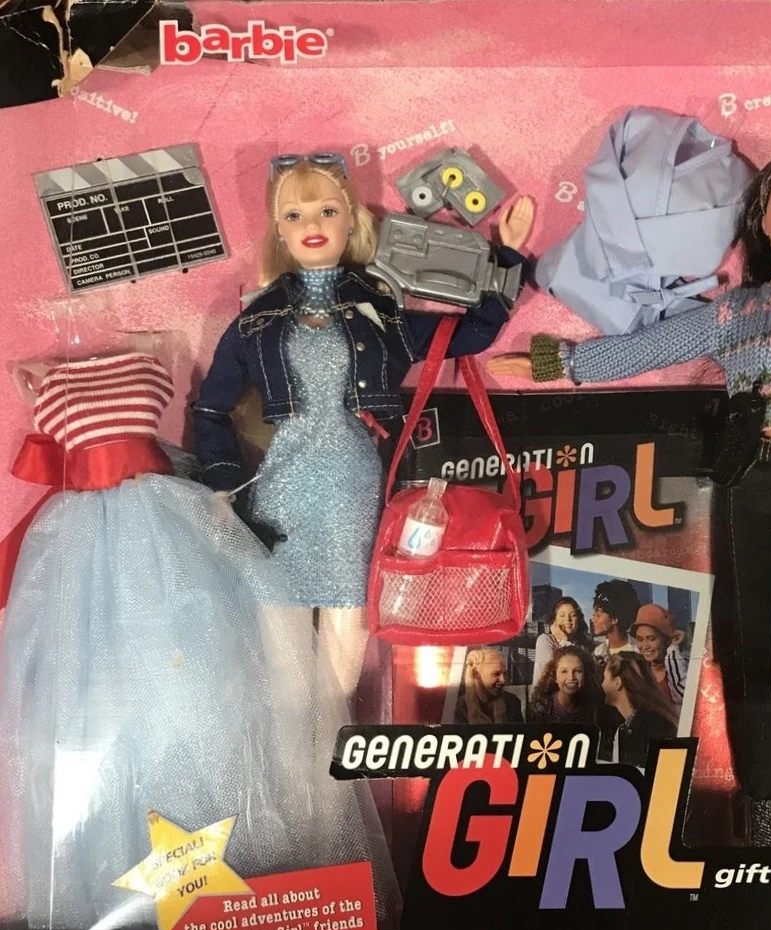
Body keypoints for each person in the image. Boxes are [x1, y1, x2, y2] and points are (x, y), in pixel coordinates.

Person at [489, 143, 771, 849]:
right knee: (754, 650)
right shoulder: (739, 311)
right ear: (761, 222)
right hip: (755, 479)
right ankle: (767, 806)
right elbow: (653, 346)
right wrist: (559, 363)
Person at [0, 347, 400, 930]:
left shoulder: (150, 356)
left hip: (166, 515)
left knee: (207, 691)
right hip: (85, 543)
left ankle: (242, 882)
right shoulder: (42, 386)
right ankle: (123, 893)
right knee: (94, 705)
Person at [193, 152, 534, 694]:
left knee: (343, 647)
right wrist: (221, 485)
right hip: (280, 491)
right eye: (294, 215)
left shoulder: (379, 314)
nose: (312, 225)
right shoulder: (255, 321)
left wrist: (508, 257)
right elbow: (210, 409)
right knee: (281, 656)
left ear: (351, 220)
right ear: (279, 230)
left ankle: (333, 741)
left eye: (327, 211)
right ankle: (293, 743)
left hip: (352, 488)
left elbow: (470, 333)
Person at [598, 652, 678, 768]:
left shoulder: (653, 725)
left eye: (605, 678)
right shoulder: (628, 727)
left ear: (617, 682)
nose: (602, 684)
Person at [628, 603, 689, 707]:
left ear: (666, 639)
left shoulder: (684, 665)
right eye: (640, 639)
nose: (645, 646)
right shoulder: (635, 672)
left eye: (651, 639)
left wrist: (673, 648)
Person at [527, 646, 601, 725]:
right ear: (554, 676)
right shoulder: (541, 707)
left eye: (577, 671)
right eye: (564, 671)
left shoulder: (593, 707)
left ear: (586, 675)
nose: (571, 677)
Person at [455, 647, 524, 724]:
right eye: (496, 674)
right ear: (476, 675)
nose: (503, 680)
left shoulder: (512, 702)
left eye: (505, 674)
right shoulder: (459, 709)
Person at [532, 596, 590, 687]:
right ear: (554, 620)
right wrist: (564, 639)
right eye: (562, 615)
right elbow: (549, 677)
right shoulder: (545, 640)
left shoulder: (582, 644)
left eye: (573, 615)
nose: (568, 619)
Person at [590, 579, 641, 660]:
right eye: (594, 614)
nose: (593, 619)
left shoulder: (639, 650)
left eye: (598, 614)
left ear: (615, 619)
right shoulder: (598, 652)